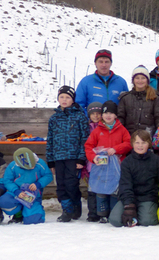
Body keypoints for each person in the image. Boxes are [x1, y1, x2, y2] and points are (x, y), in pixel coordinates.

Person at [85, 100, 132, 223]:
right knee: (101, 190)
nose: (108, 115)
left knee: (114, 190)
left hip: (116, 167)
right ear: (102, 115)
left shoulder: (122, 130)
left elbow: (128, 143)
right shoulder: (97, 131)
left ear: (116, 115)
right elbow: (88, 146)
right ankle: (102, 214)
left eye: (111, 113)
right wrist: (93, 158)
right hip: (101, 166)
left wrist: (116, 149)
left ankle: (113, 213)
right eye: (105, 113)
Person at [47, 86, 89, 222]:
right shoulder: (54, 118)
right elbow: (50, 140)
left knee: (71, 184)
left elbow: (85, 139)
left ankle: (76, 207)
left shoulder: (80, 116)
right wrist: (50, 160)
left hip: (73, 157)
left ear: (73, 100)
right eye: (62, 97)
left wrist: (81, 158)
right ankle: (67, 209)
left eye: (68, 97)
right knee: (61, 185)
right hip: (58, 157)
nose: (64, 100)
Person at [109, 130, 159, 227]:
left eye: (144, 142)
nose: (140, 146)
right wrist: (129, 206)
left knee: (147, 221)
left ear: (149, 144)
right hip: (130, 196)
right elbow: (125, 184)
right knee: (115, 220)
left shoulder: (157, 161)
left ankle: (144, 212)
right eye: (137, 143)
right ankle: (135, 211)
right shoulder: (127, 162)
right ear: (132, 144)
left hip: (148, 197)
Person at [0, 147, 53, 224]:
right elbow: (7, 180)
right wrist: (16, 191)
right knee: (3, 202)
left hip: (33, 195)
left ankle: (36, 209)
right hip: (16, 193)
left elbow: (48, 176)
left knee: (33, 220)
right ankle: (18, 213)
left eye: (33, 166)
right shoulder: (12, 166)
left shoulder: (40, 163)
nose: (32, 167)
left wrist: (38, 184)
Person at [118, 65, 159, 136]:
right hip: (129, 138)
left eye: (143, 78)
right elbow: (120, 119)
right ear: (133, 80)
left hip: (148, 139)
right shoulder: (125, 98)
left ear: (147, 80)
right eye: (137, 78)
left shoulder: (155, 98)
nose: (140, 81)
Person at [84, 101, 103, 222]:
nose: (95, 116)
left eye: (98, 113)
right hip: (90, 162)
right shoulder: (86, 127)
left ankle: (102, 211)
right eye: (93, 113)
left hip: (103, 162)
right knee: (91, 189)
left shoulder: (105, 127)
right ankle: (92, 213)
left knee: (102, 187)